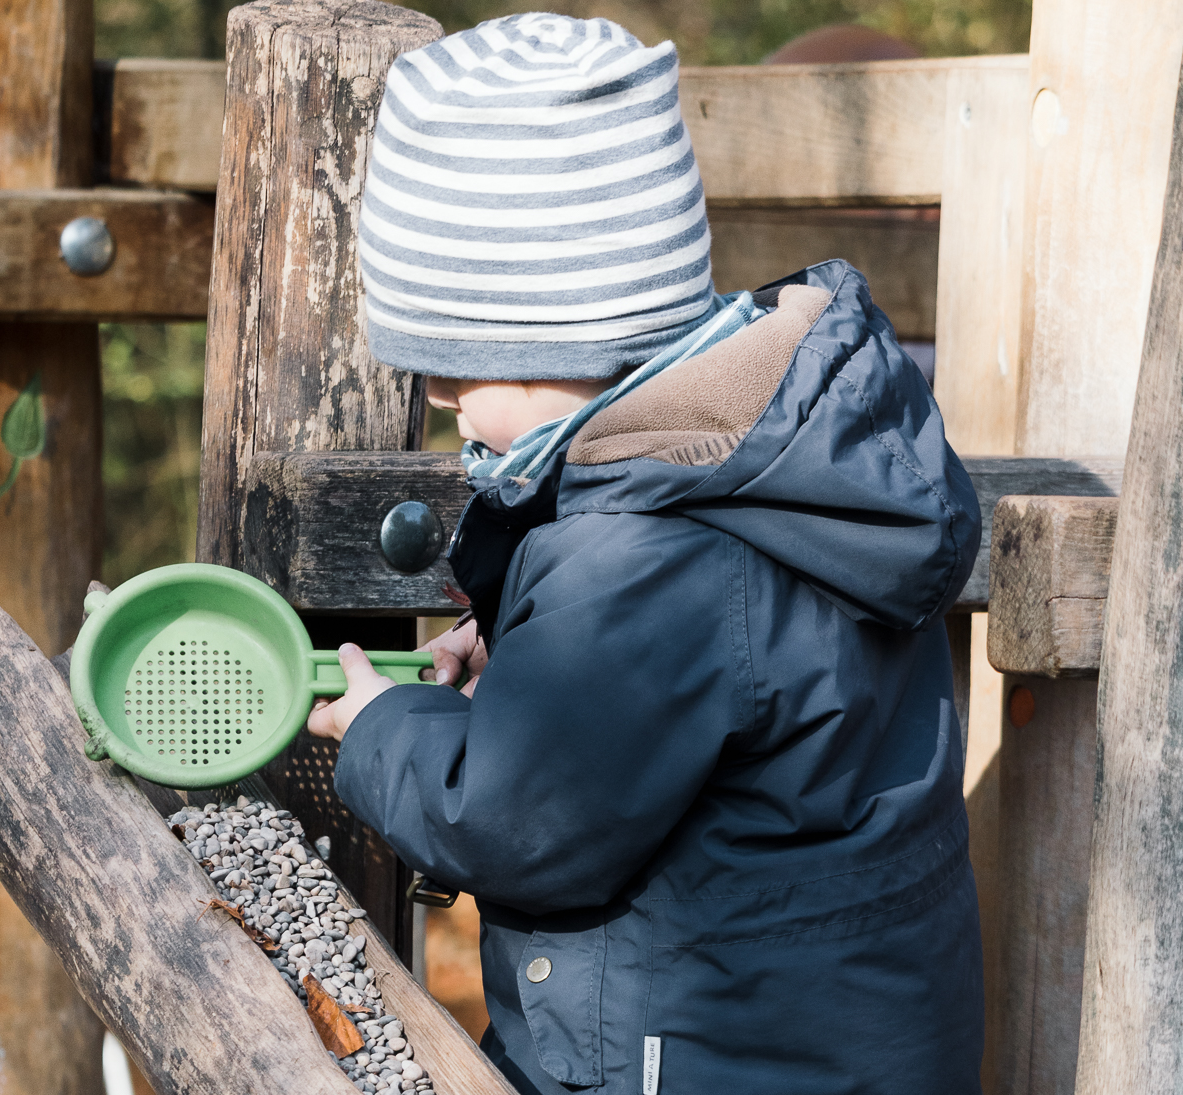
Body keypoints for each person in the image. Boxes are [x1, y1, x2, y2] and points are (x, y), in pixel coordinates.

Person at [306, 13, 984, 1094]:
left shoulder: (646, 553)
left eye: (451, 363)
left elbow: (521, 822)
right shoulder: (759, 458)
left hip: (700, 1062)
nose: (435, 397)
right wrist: (533, 641)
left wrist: (381, 729)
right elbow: (706, 683)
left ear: (554, 334)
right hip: (830, 1046)